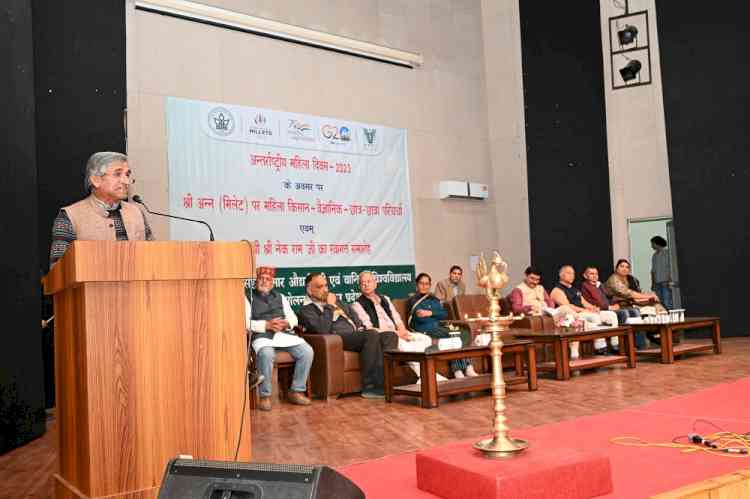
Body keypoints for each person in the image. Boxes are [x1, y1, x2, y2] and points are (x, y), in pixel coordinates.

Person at [298, 272, 397, 399]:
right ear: (309, 290)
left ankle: (386, 382)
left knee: (390, 335)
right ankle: (370, 386)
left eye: (326, 286)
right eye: (319, 287)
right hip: (338, 338)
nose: (325, 290)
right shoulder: (306, 310)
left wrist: (360, 327)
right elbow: (322, 329)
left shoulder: (337, 301)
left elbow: (353, 315)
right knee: (371, 335)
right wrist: (329, 306)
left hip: (356, 335)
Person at [49, 151, 154, 267]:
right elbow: (58, 271)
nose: (126, 181)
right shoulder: (69, 216)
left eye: (127, 175)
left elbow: (153, 259)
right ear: (96, 180)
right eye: (118, 174)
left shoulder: (136, 212)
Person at [351, 271, 443, 383]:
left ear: (375, 283)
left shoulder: (385, 299)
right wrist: (396, 333)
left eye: (369, 281)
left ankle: (423, 376)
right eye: (362, 283)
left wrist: (403, 332)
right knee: (404, 345)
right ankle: (428, 376)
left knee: (426, 339)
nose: (366, 285)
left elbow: (397, 318)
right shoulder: (357, 304)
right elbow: (370, 328)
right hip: (384, 336)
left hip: (398, 333)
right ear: (359, 286)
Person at [246, 266, 314, 411]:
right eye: (261, 279)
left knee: (307, 351)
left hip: (282, 335)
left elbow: (293, 318)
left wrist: (286, 323)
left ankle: (296, 390)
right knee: (266, 354)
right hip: (262, 336)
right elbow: (245, 322)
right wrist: (266, 325)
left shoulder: (281, 297)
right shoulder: (247, 297)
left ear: (273, 283)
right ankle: (265, 396)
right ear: (256, 281)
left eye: (268, 279)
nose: (264, 281)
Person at [405, 273, 478, 378]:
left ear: (430, 285)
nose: (424, 286)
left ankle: (468, 367)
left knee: (464, 332)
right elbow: (420, 317)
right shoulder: (413, 300)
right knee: (454, 335)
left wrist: (430, 313)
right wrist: (435, 314)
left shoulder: (433, 299)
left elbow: (444, 314)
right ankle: (457, 371)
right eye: (421, 283)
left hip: (439, 326)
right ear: (417, 285)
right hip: (424, 328)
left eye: (427, 284)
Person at [549, 265, 619, 357]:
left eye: (573, 273)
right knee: (594, 317)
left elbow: (584, 302)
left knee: (611, 315)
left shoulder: (574, 289)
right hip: (573, 316)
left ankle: (615, 345)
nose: (572, 275)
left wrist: (593, 308)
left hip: (584, 312)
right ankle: (600, 347)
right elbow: (567, 306)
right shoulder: (557, 290)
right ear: (561, 275)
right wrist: (585, 310)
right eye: (568, 273)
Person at [604, 259, 663, 349]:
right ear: (616, 269)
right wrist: (647, 296)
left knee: (658, 307)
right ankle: (635, 344)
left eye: (627, 267)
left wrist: (649, 297)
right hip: (616, 306)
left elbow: (636, 293)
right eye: (622, 266)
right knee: (634, 312)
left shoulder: (629, 279)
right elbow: (629, 293)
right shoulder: (614, 279)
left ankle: (656, 336)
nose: (624, 269)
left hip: (628, 304)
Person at [650, 236, 674, 310]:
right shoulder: (654, 255)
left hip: (666, 282)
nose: (651, 246)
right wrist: (653, 283)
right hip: (657, 283)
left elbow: (672, 267)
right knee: (660, 302)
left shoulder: (667, 253)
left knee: (667, 302)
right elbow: (653, 271)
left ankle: (671, 319)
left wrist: (670, 280)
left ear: (657, 243)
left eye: (652, 244)